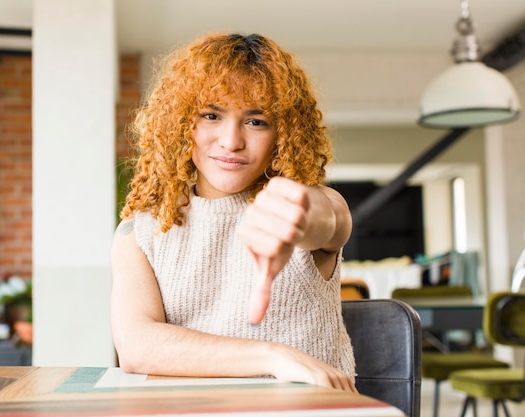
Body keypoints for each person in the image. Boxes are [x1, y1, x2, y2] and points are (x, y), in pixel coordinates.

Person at [110, 33, 356, 392]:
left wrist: (297, 215)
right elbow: (137, 347)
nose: (231, 141)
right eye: (211, 115)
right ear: (180, 124)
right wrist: (273, 357)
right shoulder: (140, 231)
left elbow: (328, 220)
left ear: (283, 134)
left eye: (256, 121)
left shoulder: (316, 202)